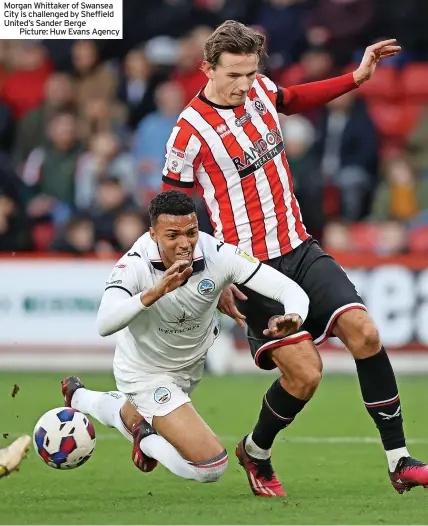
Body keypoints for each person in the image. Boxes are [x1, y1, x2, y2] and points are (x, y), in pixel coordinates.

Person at [160, 20, 428, 496]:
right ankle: (256, 451)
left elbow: (292, 98)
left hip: (301, 248)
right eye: (234, 75)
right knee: (305, 376)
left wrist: (356, 77)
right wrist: (210, 276)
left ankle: (400, 460)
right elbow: (172, 214)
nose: (245, 85)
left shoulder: (260, 87)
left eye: (251, 73)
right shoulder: (188, 133)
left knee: (365, 334)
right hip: (251, 270)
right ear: (207, 68)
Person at [61, 190, 309, 486]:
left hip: (189, 368)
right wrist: (153, 293)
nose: (185, 243)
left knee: (130, 414)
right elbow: (104, 323)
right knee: (210, 466)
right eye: (172, 235)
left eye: (191, 232)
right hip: (145, 374)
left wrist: (294, 315)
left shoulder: (217, 254)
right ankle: (146, 442)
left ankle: (79, 396)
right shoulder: (135, 264)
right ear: (153, 234)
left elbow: (288, 290)